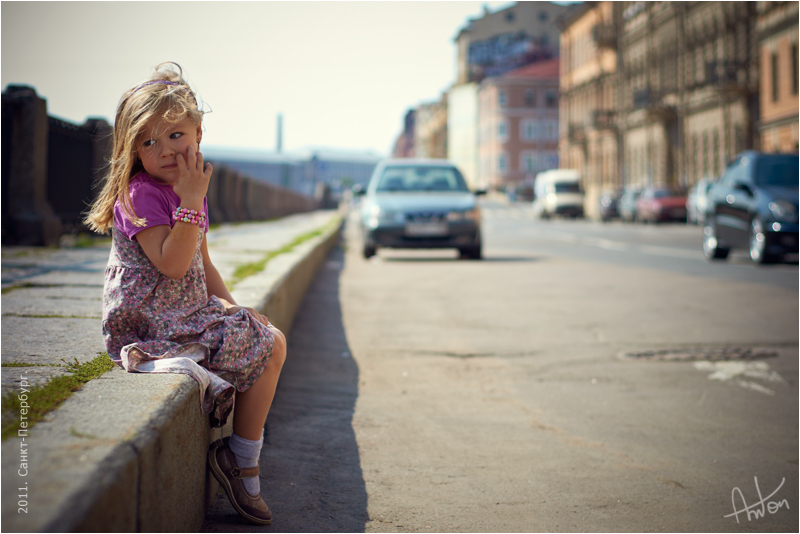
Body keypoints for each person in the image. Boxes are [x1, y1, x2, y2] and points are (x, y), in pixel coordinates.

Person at [84, 62, 286, 526]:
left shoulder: (189, 188)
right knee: (270, 345)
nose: (165, 150)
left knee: (265, 335)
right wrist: (192, 201)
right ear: (132, 150)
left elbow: (202, 264)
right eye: (149, 142)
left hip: (183, 311)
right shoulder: (140, 194)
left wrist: (234, 308)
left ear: (198, 130)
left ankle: (241, 451)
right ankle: (243, 463)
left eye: (175, 135)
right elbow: (173, 264)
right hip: (149, 321)